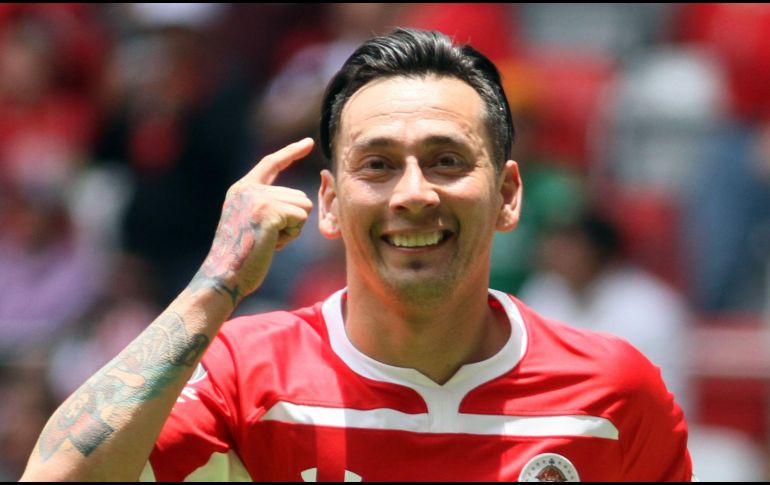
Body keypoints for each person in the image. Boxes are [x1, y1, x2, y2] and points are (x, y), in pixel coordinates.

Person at [21, 28, 692, 482]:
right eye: (378, 165)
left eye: (447, 160)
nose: (414, 193)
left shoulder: (615, 396)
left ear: (508, 195)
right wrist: (215, 282)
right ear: (331, 203)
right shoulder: (242, 378)